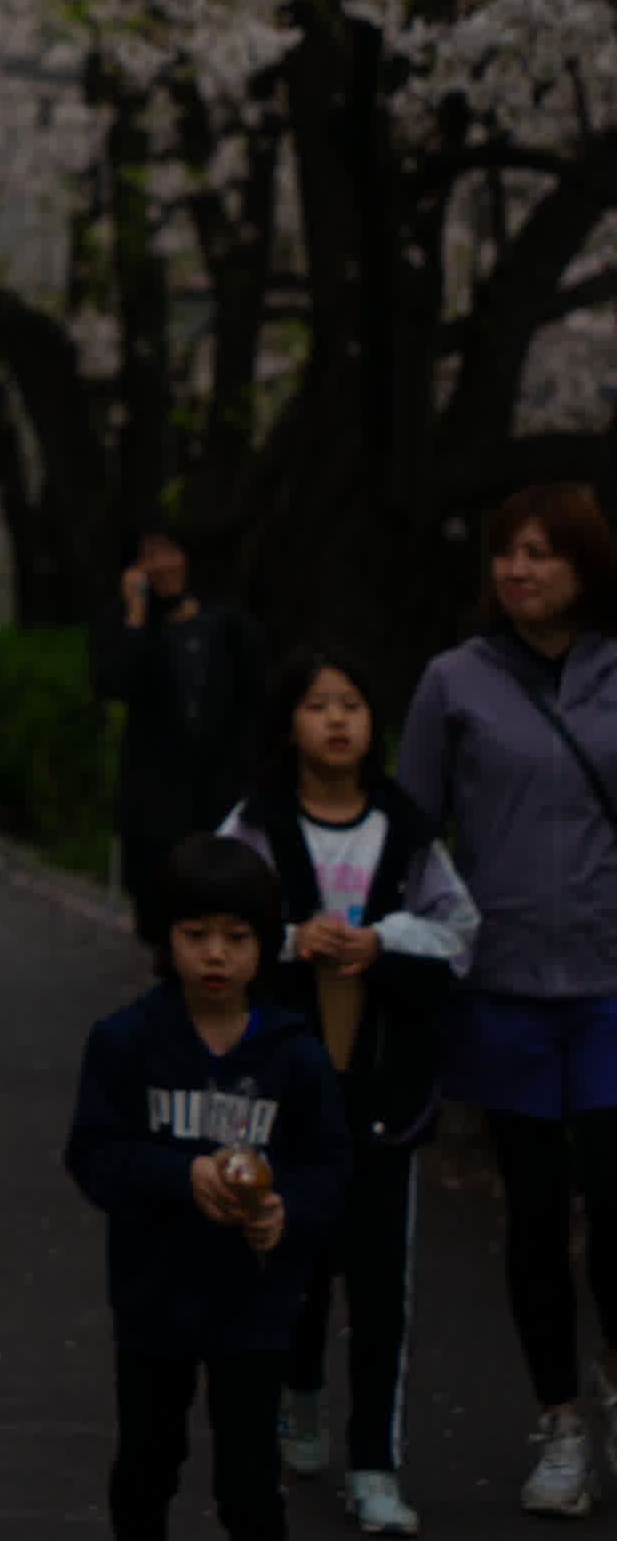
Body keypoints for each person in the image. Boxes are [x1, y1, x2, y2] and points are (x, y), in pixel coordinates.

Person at [220, 644, 480, 1534]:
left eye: (354, 705)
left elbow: (460, 932)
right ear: (289, 723)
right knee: (290, 1263)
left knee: (380, 1286)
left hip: (381, 1096)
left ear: (376, 727)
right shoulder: (255, 825)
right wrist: (295, 941)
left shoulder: (404, 831)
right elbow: (215, 928)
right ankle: (297, 1398)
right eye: (319, 704)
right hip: (280, 1099)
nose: (338, 720)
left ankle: (376, 1464)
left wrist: (387, 941)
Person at [395, 484, 617, 1518]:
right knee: (533, 1212)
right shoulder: (454, 683)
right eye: (506, 554)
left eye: (541, 553)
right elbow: (409, 833)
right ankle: (562, 1420)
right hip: (507, 992)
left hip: (613, 987)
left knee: (614, 1202)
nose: (519, 569)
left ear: (584, 565)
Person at [65, 833, 352, 1541]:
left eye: (237, 937)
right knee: (147, 1466)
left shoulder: (295, 1057)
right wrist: (178, 1175)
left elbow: (330, 1165)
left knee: (250, 1483)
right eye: (196, 936)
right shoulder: (125, 1042)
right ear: (165, 938)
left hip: (255, 1301)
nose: (216, 955)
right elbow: (93, 1156)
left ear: (267, 945)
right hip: (153, 1297)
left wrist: (288, 1211)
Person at [93, 519, 266, 946]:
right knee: (158, 913)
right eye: (148, 555)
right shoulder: (127, 627)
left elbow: (254, 700)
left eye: (169, 551)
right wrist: (135, 614)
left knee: (222, 904)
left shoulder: (224, 624)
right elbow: (113, 683)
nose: (161, 564)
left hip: (219, 793)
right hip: (154, 799)